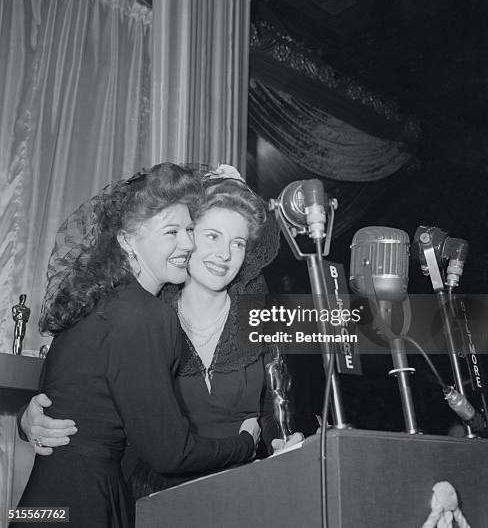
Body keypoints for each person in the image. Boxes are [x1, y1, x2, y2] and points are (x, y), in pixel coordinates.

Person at [20, 166, 303, 500]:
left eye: (238, 243)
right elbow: (87, 392)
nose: (225, 255)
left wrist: (282, 442)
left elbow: (275, 411)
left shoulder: (260, 320)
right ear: (187, 236)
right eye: (211, 235)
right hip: (151, 499)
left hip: (238, 496)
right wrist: (30, 421)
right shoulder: (150, 311)